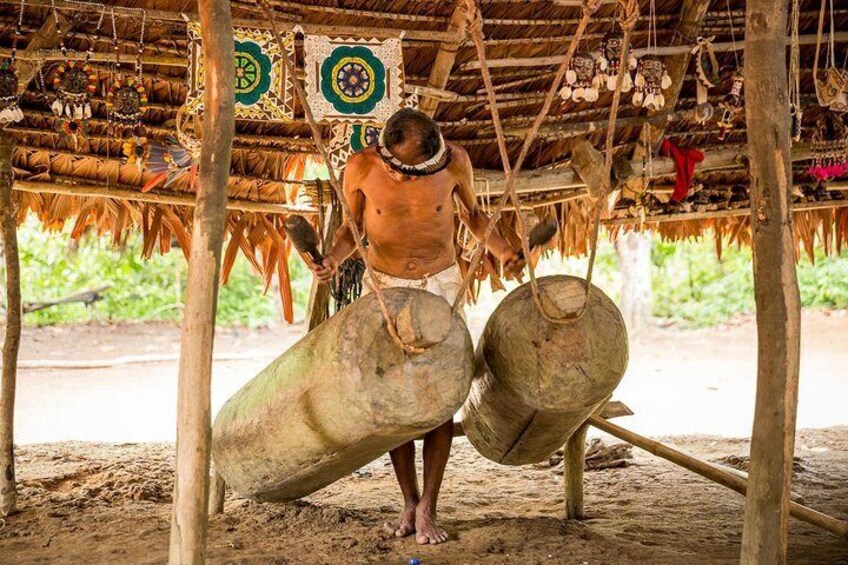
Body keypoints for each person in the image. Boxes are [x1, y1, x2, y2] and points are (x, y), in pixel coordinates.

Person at [308, 108, 525, 545]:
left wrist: (503, 250)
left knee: (440, 397)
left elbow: (473, 216)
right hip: (385, 285)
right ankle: (408, 501)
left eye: (411, 172)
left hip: (441, 283)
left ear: (433, 160)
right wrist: (331, 258)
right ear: (383, 152)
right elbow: (352, 229)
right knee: (393, 398)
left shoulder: (456, 162)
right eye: (395, 169)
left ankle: (429, 505)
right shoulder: (361, 166)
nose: (400, 177)